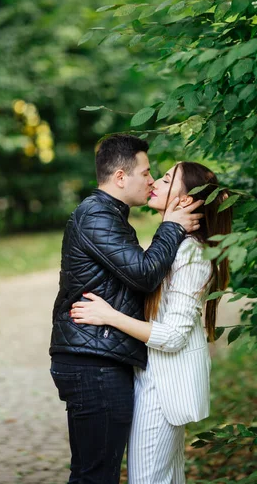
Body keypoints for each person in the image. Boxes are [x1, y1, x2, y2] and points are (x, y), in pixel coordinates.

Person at [50, 135, 204, 484]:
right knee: (95, 476)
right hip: (94, 363)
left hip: (99, 358)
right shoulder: (96, 215)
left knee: (97, 473)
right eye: (147, 173)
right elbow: (145, 274)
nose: (151, 180)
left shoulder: (111, 216)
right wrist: (172, 226)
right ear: (121, 177)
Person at [71, 161, 232, 484]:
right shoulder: (176, 245)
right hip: (154, 376)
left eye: (168, 178)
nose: (155, 181)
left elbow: (172, 336)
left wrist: (109, 316)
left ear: (185, 200)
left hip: (164, 386)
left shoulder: (190, 253)